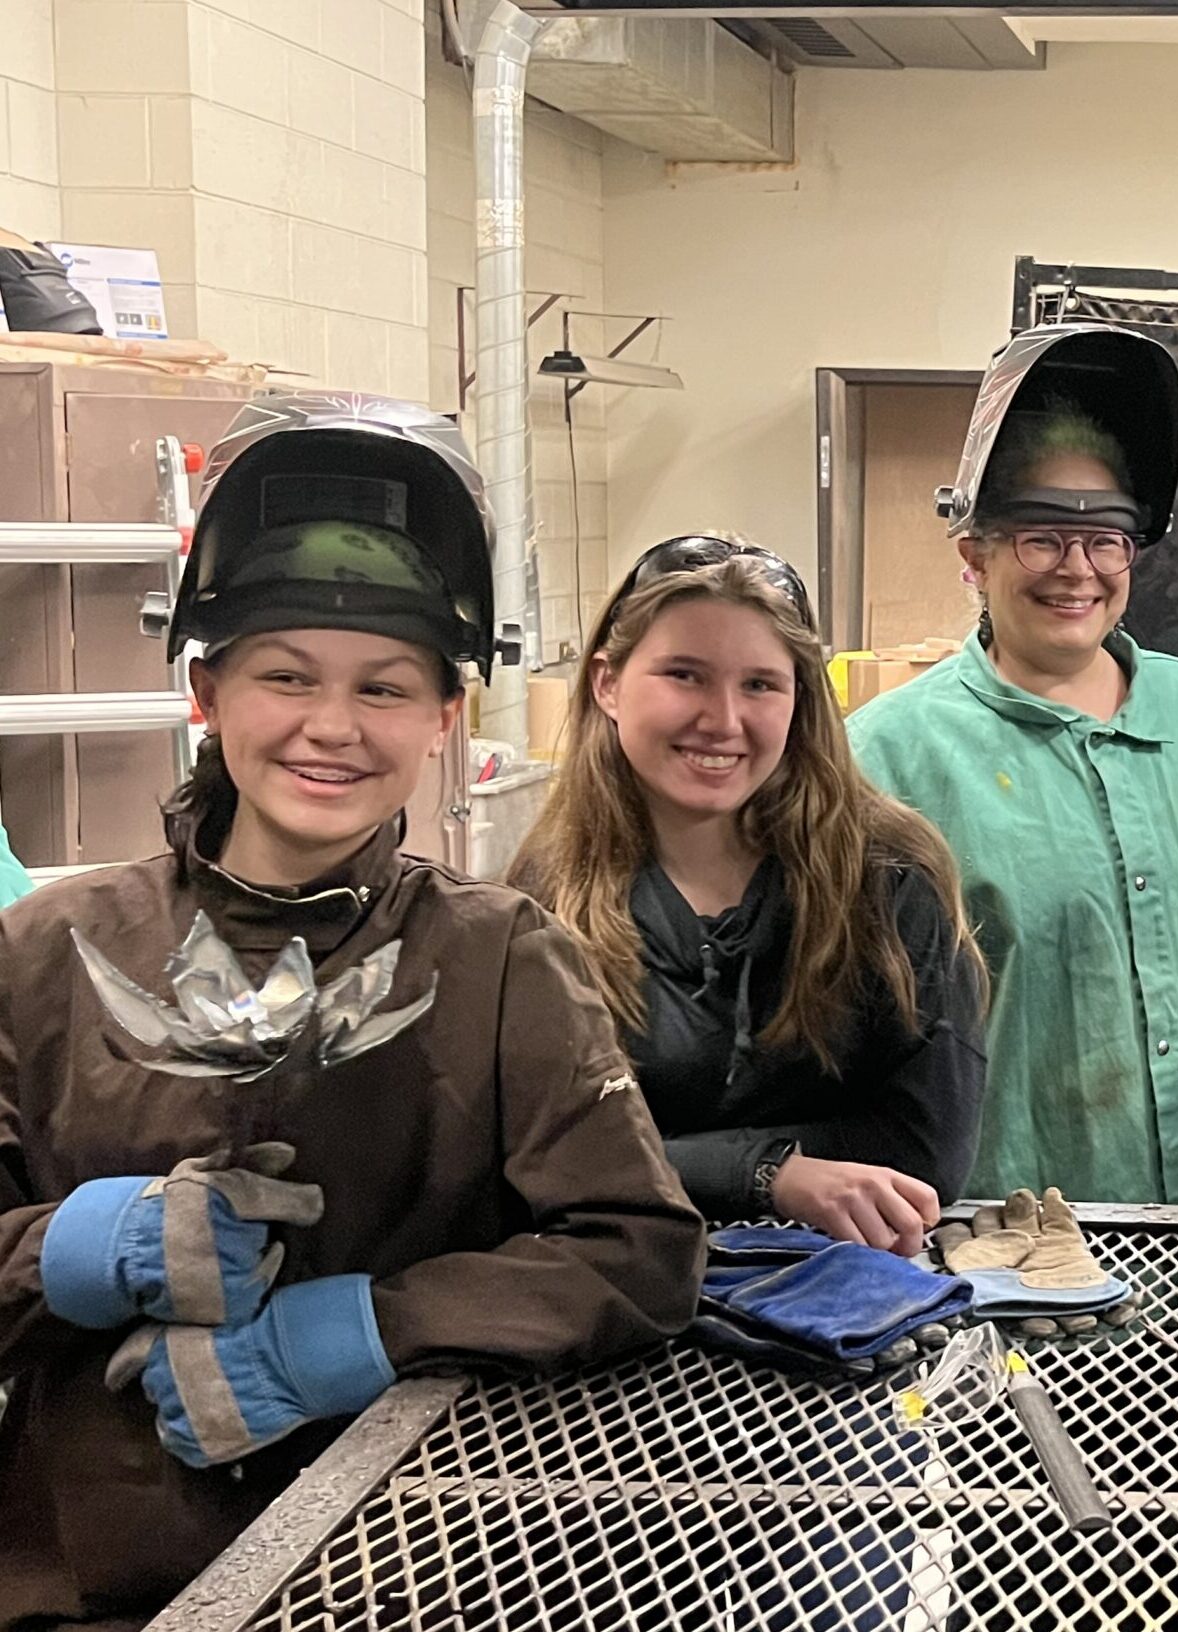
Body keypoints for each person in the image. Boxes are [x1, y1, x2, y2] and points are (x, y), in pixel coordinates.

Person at [0, 394, 705, 1629]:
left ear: (444, 720)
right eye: (287, 676)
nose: (333, 726)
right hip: (89, 1571)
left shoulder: (497, 961)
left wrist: (365, 1331)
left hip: (413, 1568)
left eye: (385, 687)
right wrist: (63, 1245)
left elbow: (638, 1254)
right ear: (208, 692)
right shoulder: (54, 951)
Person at [848, 323, 1178, 1205]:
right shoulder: (886, 757)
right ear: (973, 555)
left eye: (1106, 537)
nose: (1078, 568)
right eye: (1039, 537)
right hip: (1017, 1257)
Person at [512, 534, 985, 1253]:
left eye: (760, 684)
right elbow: (534, 1156)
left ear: (800, 699)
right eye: (685, 675)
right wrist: (770, 1173)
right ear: (608, 683)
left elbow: (925, 1150)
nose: (723, 720)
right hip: (621, 1292)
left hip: (853, 1298)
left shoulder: (889, 878)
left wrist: (670, 1156)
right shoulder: (545, 897)